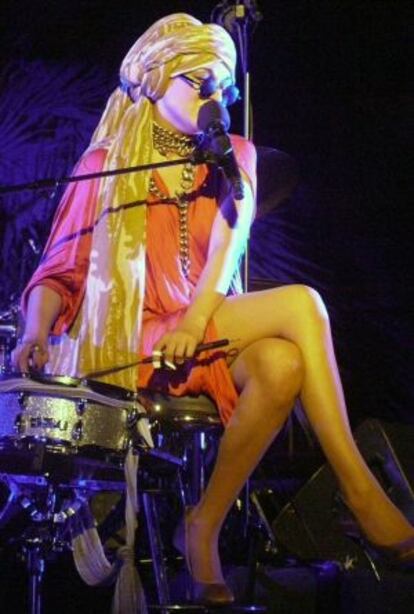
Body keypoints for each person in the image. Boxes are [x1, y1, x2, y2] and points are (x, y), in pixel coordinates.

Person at [12, 13, 414, 606]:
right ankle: (356, 487)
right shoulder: (106, 166)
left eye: (223, 89)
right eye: (198, 83)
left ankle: (203, 523)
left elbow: (227, 254)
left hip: (195, 325)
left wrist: (197, 320)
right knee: (303, 301)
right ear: (155, 80)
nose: (214, 99)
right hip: (129, 335)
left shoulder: (234, 158)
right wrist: (34, 332)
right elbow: (60, 271)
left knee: (280, 365)